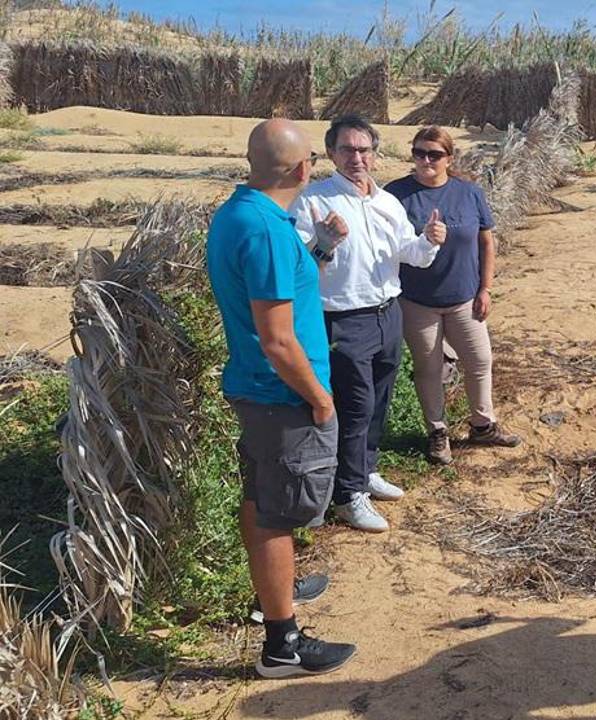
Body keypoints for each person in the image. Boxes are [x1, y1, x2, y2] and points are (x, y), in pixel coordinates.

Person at [206, 118, 356, 678]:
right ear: (300, 169)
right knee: (277, 513)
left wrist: (320, 249)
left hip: (261, 391)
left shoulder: (242, 214)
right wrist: (320, 399)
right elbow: (278, 339)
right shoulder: (266, 229)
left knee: (261, 498)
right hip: (281, 395)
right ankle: (282, 644)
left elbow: (280, 290)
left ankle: (275, 594)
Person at [291, 115, 447, 533]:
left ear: (375, 155)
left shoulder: (387, 202)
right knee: (356, 406)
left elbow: (410, 253)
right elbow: (299, 268)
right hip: (343, 318)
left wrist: (429, 241)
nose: (356, 158)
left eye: (364, 150)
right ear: (331, 153)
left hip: (387, 313)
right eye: (347, 149)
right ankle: (348, 494)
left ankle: (366, 469)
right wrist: (323, 242)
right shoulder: (313, 202)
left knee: (379, 400)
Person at [385, 126, 521, 465]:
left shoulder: (469, 193)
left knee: (479, 361)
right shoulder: (396, 195)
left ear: (449, 158)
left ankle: (482, 425)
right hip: (417, 301)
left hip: (464, 298)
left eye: (434, 154)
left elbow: (486, 241)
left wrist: (485, 288)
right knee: (429, 368)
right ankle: (437, 432)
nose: (426, 160)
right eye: (419, 153)